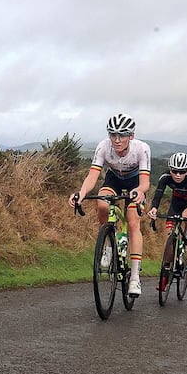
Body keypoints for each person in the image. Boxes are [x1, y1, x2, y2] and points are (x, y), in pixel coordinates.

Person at [68, 114, 151, 297]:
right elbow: (92, 176)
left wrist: (139, 192)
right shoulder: (103, 146)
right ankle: (107, 245)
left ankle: (135, 277)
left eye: (122, 135)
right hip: (113, 179)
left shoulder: (141, 149)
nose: (117, 140)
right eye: (113, 135)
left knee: (133, 222)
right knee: (102, 203)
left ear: (131, 135)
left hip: (135, 183)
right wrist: (81, 194)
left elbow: (145, 182)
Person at [146, 152, 187, 265]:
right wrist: (153, 208)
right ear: (170, 169)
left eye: (182, 172)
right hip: (176, 202)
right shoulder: (165, 177)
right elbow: (158, 195)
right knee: (169, 239)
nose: (178, 175)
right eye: (174, 171)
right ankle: (166, 271)